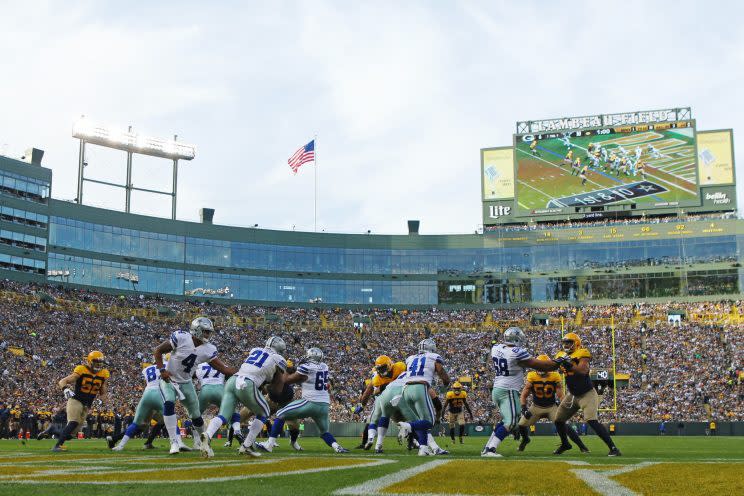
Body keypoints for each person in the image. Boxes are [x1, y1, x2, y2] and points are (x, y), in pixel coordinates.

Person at [153, 317, 236, 455]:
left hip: (186, 383)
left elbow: (224, 370)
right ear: (196, 330)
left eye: (209, 332)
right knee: (169, 402)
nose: (208, 335)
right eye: (205, 331)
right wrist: (162, 370)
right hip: (170, 380)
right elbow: (158, 351)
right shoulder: (181, 337)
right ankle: (174, 442)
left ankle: (204, 442)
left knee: (196, 415)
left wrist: (245, 371)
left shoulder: (209, 349)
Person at [481, 327, 563, 458]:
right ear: (516, 339)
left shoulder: (496, 348)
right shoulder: (517, 352)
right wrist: (558, 361)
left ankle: (487, 448)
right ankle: (491, 450)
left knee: (506, 420)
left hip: (497, 390)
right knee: (511, 422)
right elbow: (542, 366)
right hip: (508, 390)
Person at [200, 336, 287, 458]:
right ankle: (246, 446)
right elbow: (277, 390)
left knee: (224, 415)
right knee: (264, 412)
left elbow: (257, 370)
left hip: (233, 380)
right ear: (280, 349)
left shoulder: (256, 350)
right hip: (247, 383)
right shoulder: (278, 358)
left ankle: (208, 435)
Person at [257, 347, 349, 454]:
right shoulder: (324, 366)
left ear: (311, 357)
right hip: (324, 404)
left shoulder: (306, 367)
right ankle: (337, 447)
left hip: (310, 402)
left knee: (280, 413)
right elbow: (306, 377)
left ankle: (269, 444)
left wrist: (287, 369)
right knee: (324, 432)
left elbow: (286, 380)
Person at [553, 332, 621, 457]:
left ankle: (613, 448)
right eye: (565, 342)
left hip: (587, 393)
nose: (566, 345)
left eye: (569, 342)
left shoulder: (582, 353)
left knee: (591, 420)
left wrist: (569, 364)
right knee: (558, 420)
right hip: (572, 395)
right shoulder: (560, 354)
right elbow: (555, 367)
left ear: (576, 343)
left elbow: (583, 370)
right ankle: (565, 444)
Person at [517, 354, 588, 453]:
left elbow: (560, 395)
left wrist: (563, 405)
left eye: (543, 366)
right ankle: (525, 439)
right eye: (539, 366)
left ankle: (578, 446)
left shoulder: (554, 376)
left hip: (551, 407)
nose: (541, 368)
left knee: (563, 424)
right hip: (536, 407)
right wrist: (524, 408)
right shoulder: (532, 376)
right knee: (521, 424)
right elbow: (524, 395)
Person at [46, 351, 110, 451]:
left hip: (87, 404)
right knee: (73, 422)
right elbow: (63, 381)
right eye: (96, 362)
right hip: (76, 400)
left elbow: (103, 392)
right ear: (89, 361)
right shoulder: (82, 369)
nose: (98, 364)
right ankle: (57, 446)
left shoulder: (104, 373)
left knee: (71, 434)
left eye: (100, 362)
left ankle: (52, 430)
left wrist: (103, 401)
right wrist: (65, 389)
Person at [397, 338, 450, 456]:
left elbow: (408, 373)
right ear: (431, 348)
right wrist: (446, 382)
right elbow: (440, 371)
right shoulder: (433, 356)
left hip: (406, 389)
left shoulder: (410, 358)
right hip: (420, 387)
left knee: (421, 421)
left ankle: (423, 448)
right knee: (429, 421)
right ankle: (408, 426)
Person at [109, 360, 170, 451]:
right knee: (168, 418)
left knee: (144, 424)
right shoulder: (165, 366)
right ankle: (176, 444)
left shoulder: (147, 369)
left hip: (147, 396)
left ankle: (117, 440)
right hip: (158, 397)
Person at [355, 355, 406, 451]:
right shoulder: (376, 378)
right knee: (375, 420)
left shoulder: (399, 367)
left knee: (375, 420)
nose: (382, 370)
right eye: (380, 368)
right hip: (384, 399)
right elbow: (372, 392)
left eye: (383, 367)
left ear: (390, 364)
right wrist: (362, 405)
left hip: (397, 398)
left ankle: (374, 443)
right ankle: (369, 443)